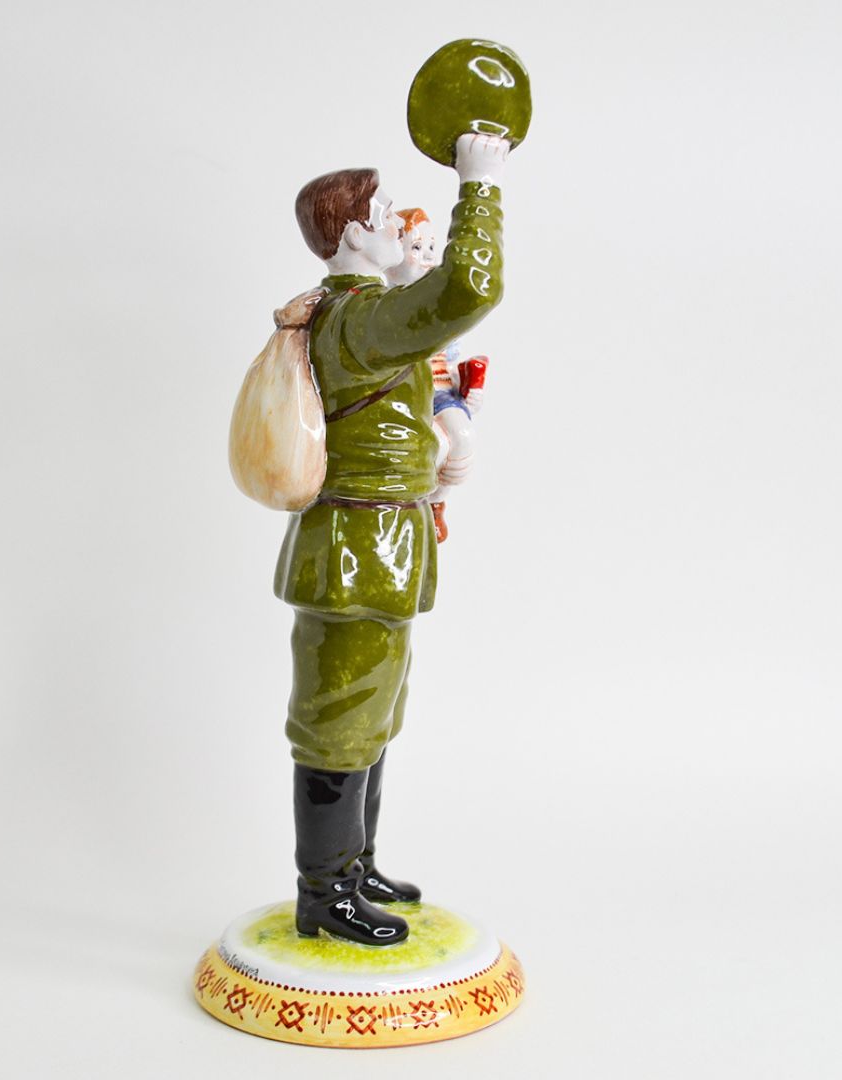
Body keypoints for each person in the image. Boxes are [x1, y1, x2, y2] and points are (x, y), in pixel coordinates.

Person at [276, 133, 510, 945]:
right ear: (348, 234)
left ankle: (355, 865)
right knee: (339, 721)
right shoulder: (362, 320)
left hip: (381, 541)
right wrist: (479, 185)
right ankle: (324, 892)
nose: (392, 223)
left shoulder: (354, 315)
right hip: (357, 547)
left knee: (373, 713)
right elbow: (470, 286)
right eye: (378, 215)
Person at [386, 209, 489, 542]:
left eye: (431, 248)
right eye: (416, 248)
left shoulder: (438, 313)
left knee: (463, 437)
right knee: (429, 445)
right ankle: (403, 505)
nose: (428, 257)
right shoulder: (380, 310)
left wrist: (468, 389)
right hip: (399, 395)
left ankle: (436, 503)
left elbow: (447, 361)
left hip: (439, 391)